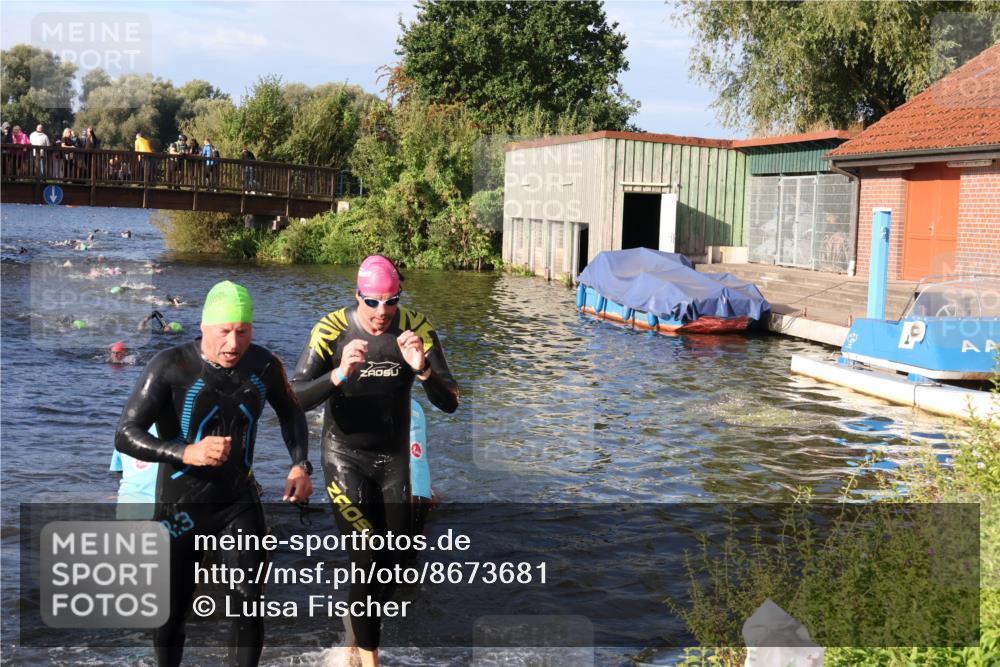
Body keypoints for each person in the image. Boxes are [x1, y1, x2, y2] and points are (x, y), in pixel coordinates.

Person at [115, 280, 313, 667]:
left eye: (243, 332)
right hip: (180, 508)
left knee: (248, 602)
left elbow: (291, 412)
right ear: (204, 327)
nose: (233, 344)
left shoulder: (264, 365)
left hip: (238, 503)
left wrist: (300, 464)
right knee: (172, 611)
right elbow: (126, 434)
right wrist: (185, 451)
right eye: (224, 332)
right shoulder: (171, 366)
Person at [291, 255, 459, 667]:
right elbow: (293, 397)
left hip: (393, 457)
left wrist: (423, 372)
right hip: (344, 456)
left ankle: (357, 627)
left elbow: (451, 401)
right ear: (357, 296)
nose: (382, 312)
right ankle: (369, 658)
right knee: (366, 559)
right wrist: (337, 375)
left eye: (390, 301)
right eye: (372, 302)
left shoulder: (417, 327)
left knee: (397, 563)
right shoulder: (331, 329)